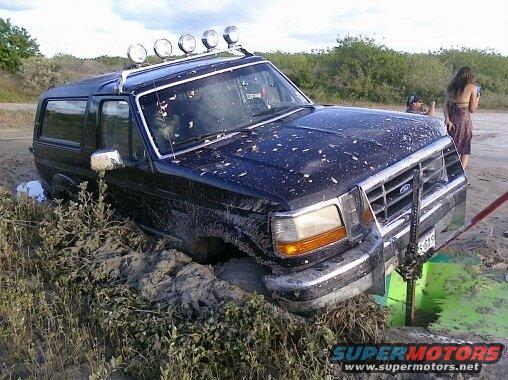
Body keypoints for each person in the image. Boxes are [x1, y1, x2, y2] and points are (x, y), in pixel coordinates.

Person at [443, 67, 480, 169]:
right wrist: (477, 98)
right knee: (465, 148)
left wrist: (447, 119)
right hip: (463, 121)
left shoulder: (451, 88)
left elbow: (445, 105)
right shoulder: (472, 87)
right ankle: (461, 173)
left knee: (450, 147)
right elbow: (472, 109)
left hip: (451, 120)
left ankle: (448, 170)